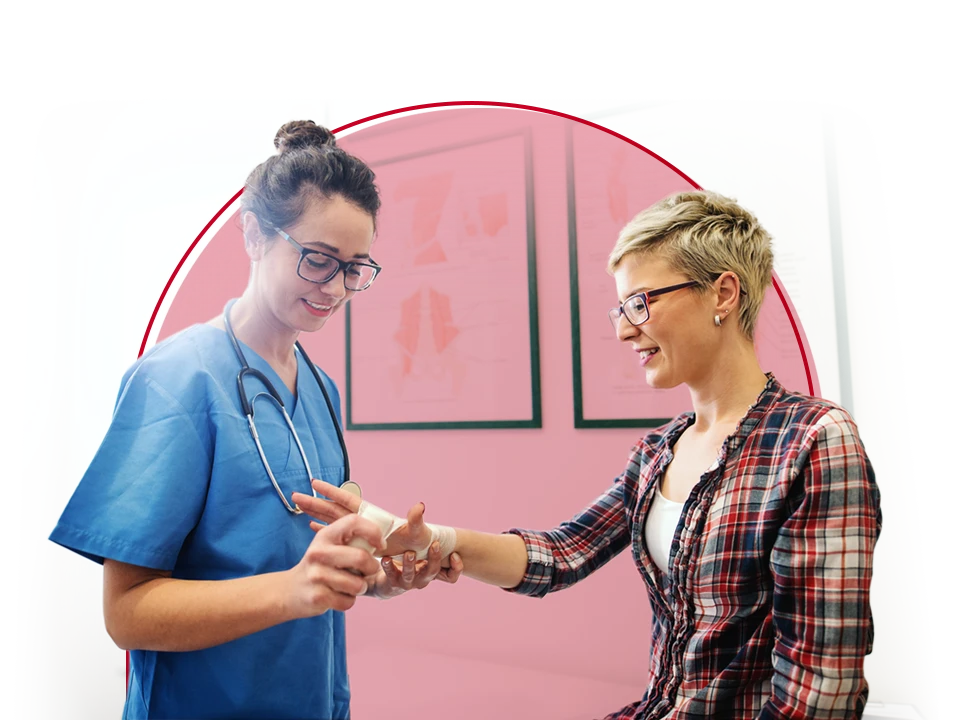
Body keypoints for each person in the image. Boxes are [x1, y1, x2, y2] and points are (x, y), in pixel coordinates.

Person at [296, 190, 883, 720]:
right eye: (621, 309)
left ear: (723, 293)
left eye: (641, 303)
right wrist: (421, 536)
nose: (625, 331)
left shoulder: (813, 441)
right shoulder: (658, 451)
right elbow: (562, 554)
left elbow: (820, 694)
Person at [49, 118, 462, 720]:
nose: (336, 289)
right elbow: (126, 613)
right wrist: (293, 590)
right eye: (318, 259)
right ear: (253, 235)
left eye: (355, 268)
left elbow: (299, 557)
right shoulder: (176, 379)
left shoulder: (320, 388)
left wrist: (378, 575)